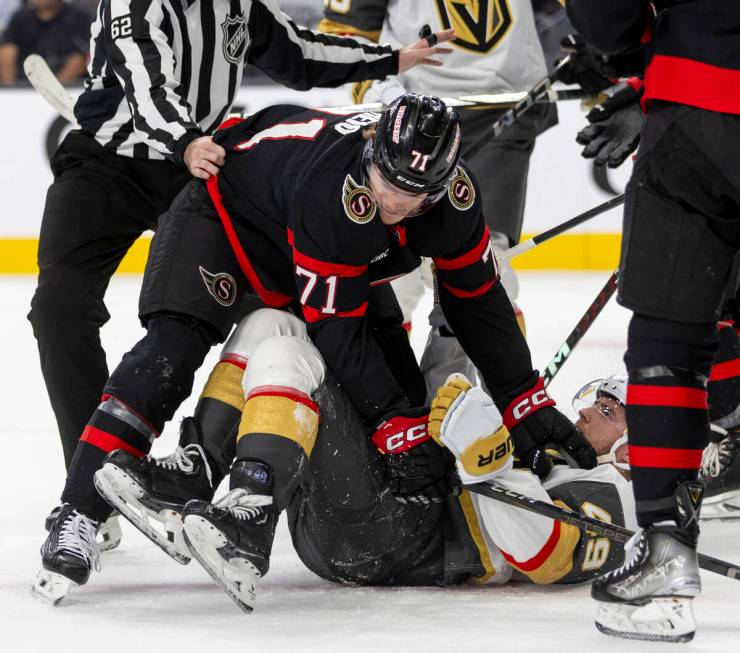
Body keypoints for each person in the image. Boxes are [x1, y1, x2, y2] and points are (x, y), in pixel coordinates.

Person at [34, 94, 595, 603]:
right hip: (226, 219)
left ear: (449, 180)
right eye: (389, 183)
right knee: (167, 357)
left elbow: (480, 303)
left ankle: (261, 501)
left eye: (417, 194)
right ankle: (86, 507)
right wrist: (391, 424)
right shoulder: (338, 187)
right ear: (372, 148)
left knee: (399, 397)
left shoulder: (452, 198)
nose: (397, 203)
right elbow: (336, 330)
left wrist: (528, 404)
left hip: (321, 241)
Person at [26, 0, 451, 491]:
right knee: (59, 310)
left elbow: (298, 53)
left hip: (200, 165)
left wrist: (391, 59)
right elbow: (147, 80)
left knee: (303, 296)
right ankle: (92, 477)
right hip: (109, 167)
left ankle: (277, 453)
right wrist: (183, 139)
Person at [95, 306, 634, 612]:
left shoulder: (617, 494)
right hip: (370, 511)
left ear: (636, 448)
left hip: (403, 540)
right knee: (270, 323)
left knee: (287, 356)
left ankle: (248, 522)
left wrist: (489, 461)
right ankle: (198, 473)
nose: (589, 410)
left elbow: (550, 558)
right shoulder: (565, 449)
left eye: (610, 408)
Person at [564, 0, 740, 642]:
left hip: (700, 102)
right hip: (691, 93)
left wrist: (640, 68)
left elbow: (604, 15)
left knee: (670, 340)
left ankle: (666, 556)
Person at [319, 0, 562, 339]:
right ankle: (387, 385)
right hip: (407, 118)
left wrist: (611, 62)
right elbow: (343, 37)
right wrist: (382, 89)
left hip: (506, 106)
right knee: (392, 274)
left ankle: (457, 387)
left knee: (483, 268)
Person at [0, 0, 90, 85]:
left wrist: (54, 92)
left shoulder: (79, 17)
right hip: (22, 86)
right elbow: (6, 53)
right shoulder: (20, 18)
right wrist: (11, 89)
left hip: (68, 88)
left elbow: (79, 59)